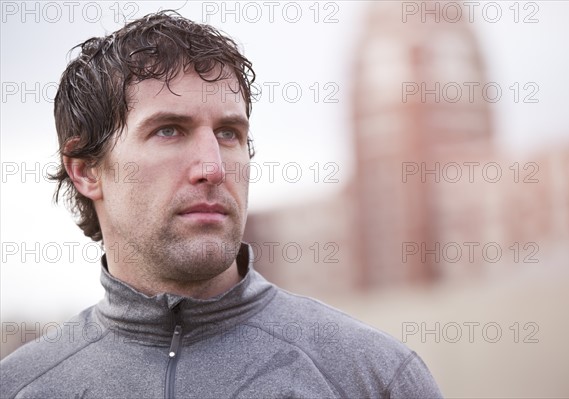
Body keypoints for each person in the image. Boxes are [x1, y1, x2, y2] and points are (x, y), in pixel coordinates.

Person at [0, 11, 443, 398]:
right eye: (169, 130)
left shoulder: (373, 376)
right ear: (85, 171)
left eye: (229, 133)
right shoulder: (23, 386)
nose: (213, 168)